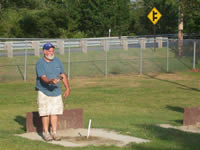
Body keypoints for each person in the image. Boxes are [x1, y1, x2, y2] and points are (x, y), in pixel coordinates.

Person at [35, 43, 70, 141]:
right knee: (45, 112)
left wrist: (67, 88)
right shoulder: (40, 63)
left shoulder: (57, 61)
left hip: (56, 91)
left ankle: (54, 132)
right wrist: (50, 81)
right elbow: (43, 78)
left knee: (55, 112)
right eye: (49, 51)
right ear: (44, 51)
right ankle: (46, 133)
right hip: (43, 91)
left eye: (52, 51)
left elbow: (62, 75)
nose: (51, 53)